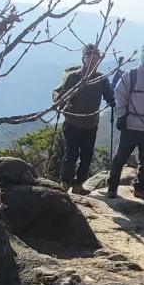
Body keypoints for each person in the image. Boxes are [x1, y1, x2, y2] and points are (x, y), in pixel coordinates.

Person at [107, 40, 144, 199]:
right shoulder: (131, 75)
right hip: (131, 124)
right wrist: (121, 116)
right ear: (143, 57)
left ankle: (139, 188)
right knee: (121, 156)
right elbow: (120, 94)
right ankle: (112, 187)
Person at [52, 44, 114, 190]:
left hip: (91, 124)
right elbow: (57, 92)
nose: (93, 60)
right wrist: (59, 101)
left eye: (96, 57)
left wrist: (112, 99)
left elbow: (108, 95)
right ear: (83, 59)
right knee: (71, 155)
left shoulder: (101, 79)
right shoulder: (73, 77)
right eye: (89, 57)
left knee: (87, 156)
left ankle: (78, 184)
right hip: (72, 122)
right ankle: (65, 182)